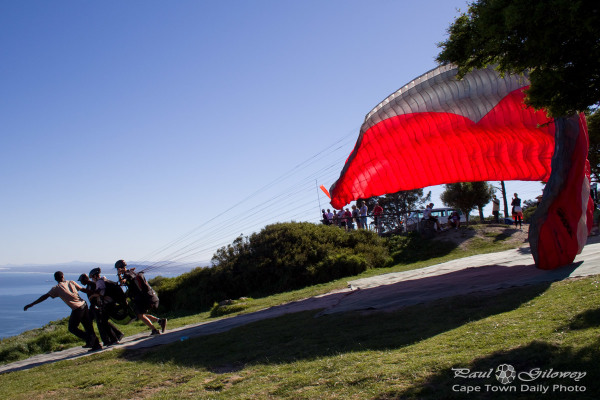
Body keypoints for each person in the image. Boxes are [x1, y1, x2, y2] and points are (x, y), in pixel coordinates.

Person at [24, 271, 101, 351]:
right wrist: (95, 292)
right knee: (88, 326)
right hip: (84, 305)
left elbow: (45, 296)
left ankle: (90, 339)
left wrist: (32, 304)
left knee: (72, 328)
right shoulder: (71, 282)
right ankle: (96, 345)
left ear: (55, 279)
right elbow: (83, 289)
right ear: (63, 276)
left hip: (77, 308)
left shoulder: (56, 288)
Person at [115, 260, 166, 335]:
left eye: (117, 269)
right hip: (145, 296)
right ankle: (160, 321)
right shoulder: (131, 272)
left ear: (119, 268)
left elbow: (122, 282)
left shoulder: (127, 274)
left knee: (140, 315)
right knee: (140, 314)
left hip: (141, 298)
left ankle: (154, 330)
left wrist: (119, 275)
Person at [83, 268, 124, 346]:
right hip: (111, 303)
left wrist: (92, 296)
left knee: (103, 322)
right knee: (104, 322)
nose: (92, 279)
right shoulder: (104, 280)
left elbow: (101, 293)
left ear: (95, 276)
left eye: (92, 277)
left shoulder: (100, 282)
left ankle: (114, 339)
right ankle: (115, 337)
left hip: (108, 304)